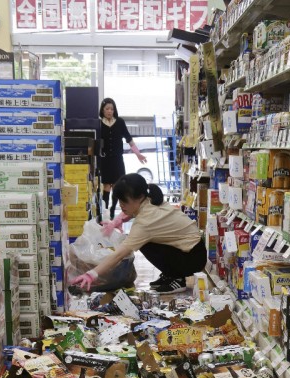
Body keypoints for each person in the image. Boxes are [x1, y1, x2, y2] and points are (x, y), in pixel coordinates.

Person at [71, 173, 207, 295]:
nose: (121, 205)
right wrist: (117, 221)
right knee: (142, 241)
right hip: (193, 250)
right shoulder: (151, 199)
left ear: (139, 197)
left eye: (124, 201)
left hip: (192, 258)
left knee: (140, 242)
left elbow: (119, 254)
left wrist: (91, 274)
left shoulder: (145, 222)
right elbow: (131, 211)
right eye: (119, 201)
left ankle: (178, 279)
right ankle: (171, 274)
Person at [99, 98, 147, 220]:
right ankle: (105, 211)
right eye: (107, 109)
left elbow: (129, 139)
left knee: (117, 186)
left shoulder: (119, 122)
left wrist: (138, 154)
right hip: (104, 160)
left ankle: (112, 210)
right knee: (106, 186)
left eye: (112, 109)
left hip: (117, 159)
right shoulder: (99, 123)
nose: (109, 111)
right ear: (102, 110)